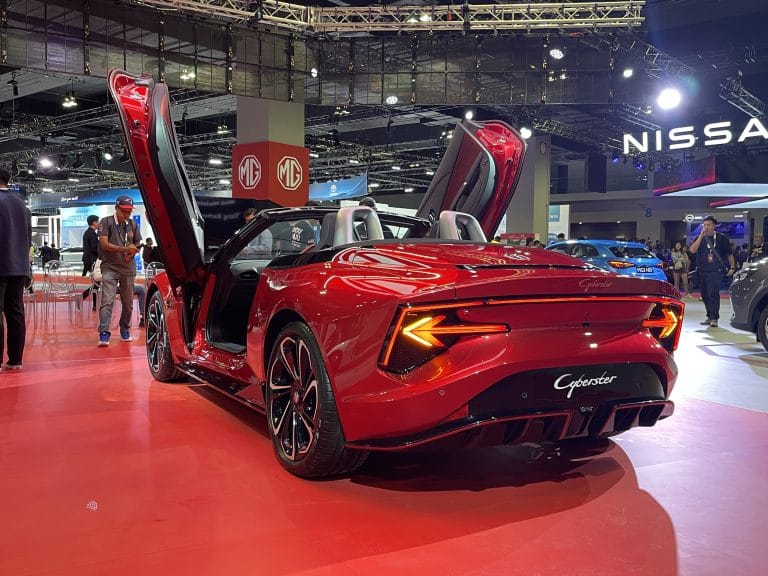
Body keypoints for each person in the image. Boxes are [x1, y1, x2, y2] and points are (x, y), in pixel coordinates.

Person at [97, 195, 141, 346]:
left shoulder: (133, 224)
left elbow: (137, 242)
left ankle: (125, 329)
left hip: (128, 269)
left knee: (128, 303)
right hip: (109, 267)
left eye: (129, 211)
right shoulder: (106, 222)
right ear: (116, 208)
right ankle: (104, 332)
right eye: (123, 211)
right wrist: (124, 249)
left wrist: (133, 251)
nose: (126, 214)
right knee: (107, 300)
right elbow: (104, 244)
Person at [0, 167, 32, 370]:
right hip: (19, 265)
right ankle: (16, 360)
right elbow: (28, 238)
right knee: (15, 312)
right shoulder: (22, 204)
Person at [690, 216, 735, 328]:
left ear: (714, 226)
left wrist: (732, 267)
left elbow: (729, 254)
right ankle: (709, 316)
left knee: (713, 294)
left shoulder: (722, 238)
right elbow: (693, 250)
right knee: (705, 295)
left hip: (715, 271)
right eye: (704, 225)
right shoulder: (699, 238)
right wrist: (701, 236)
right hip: (702, 271)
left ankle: (714, 318)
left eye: (708, 225)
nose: (706, 227)